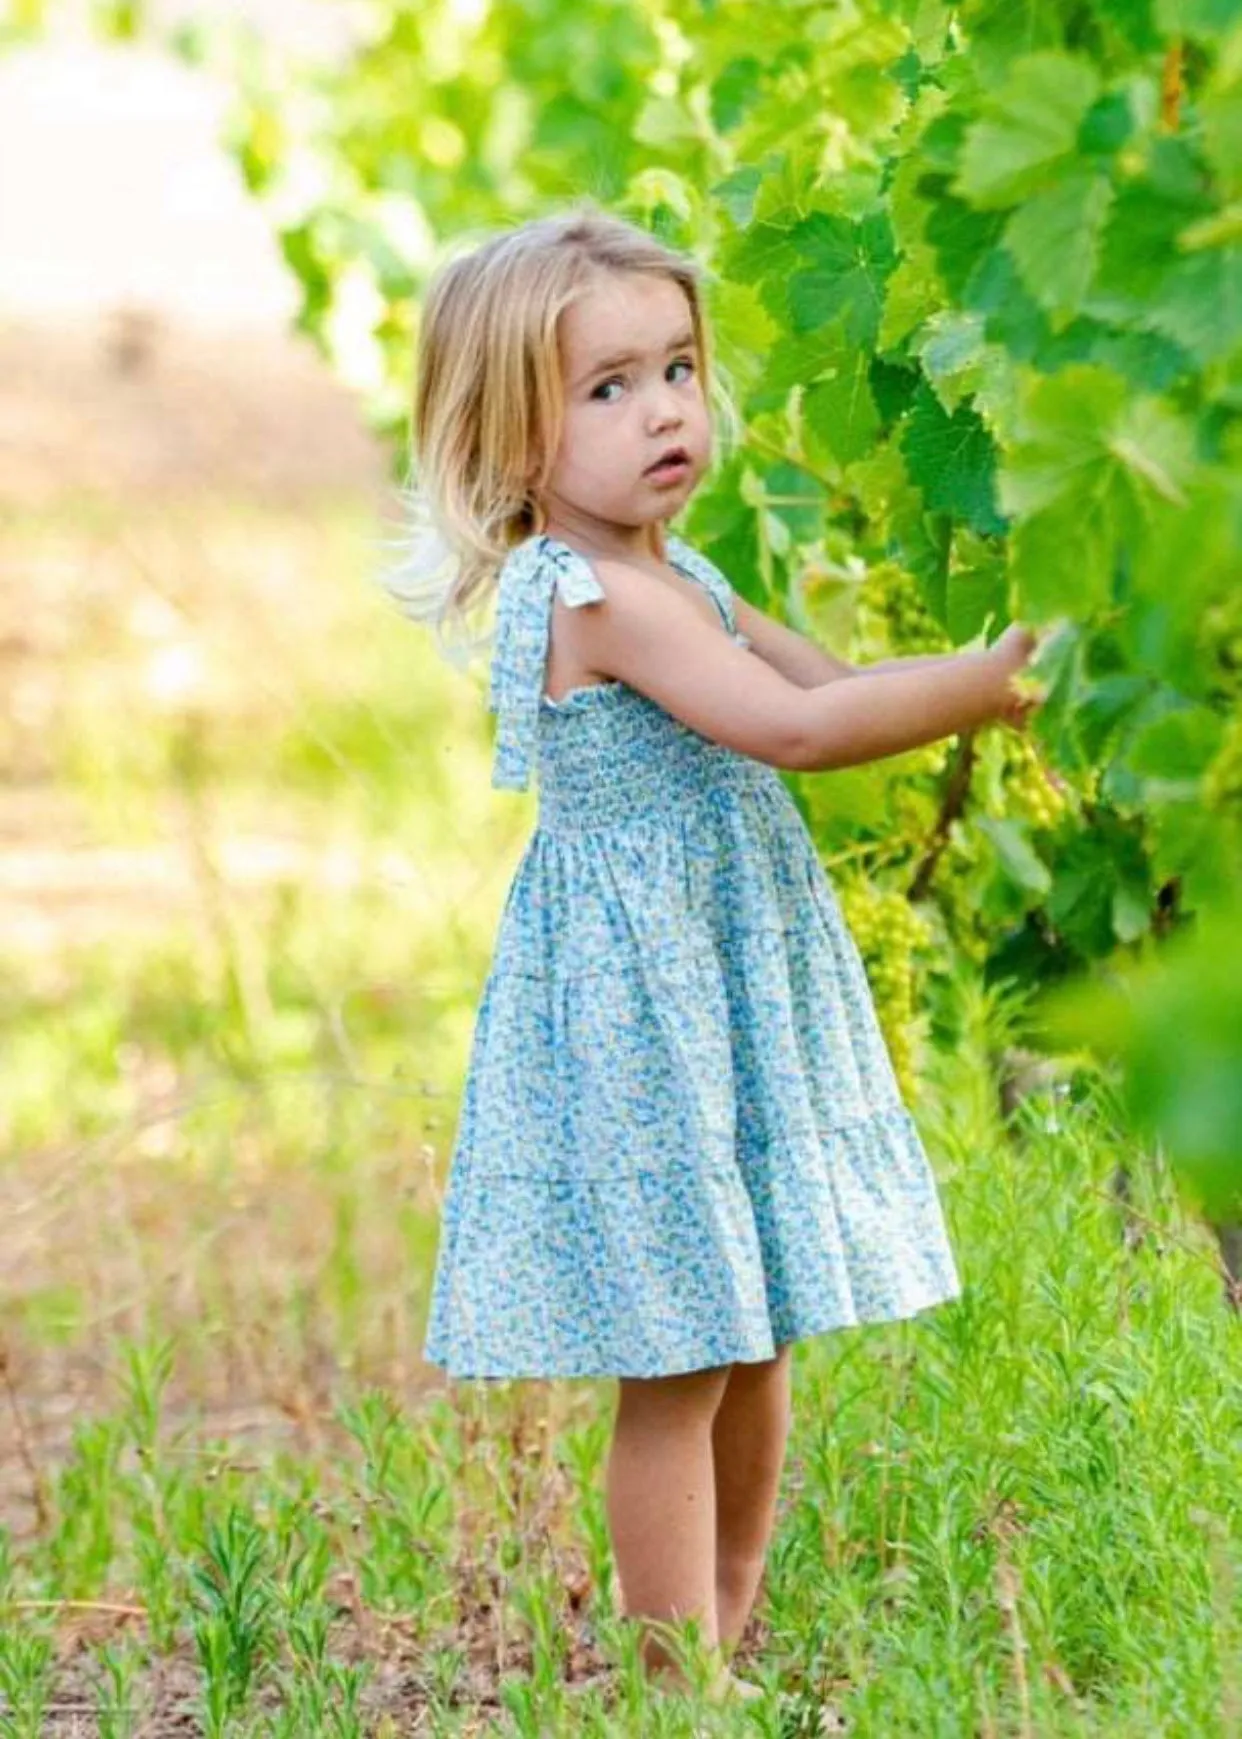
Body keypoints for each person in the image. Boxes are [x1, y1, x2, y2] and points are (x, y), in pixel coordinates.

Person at [381, 203, 1041, 1705]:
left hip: (718, 983)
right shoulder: (595, 596)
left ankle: (723, 1644)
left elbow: (851, 682)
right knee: (680, 1356)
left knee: (753, 1332)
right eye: (604, 388)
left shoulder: (689, 572)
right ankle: (675, 1677)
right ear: (511, 435)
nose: (661, 409)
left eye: (674, 367)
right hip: (645, 1013)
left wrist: (969, 663)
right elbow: (800, 729)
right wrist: (997, 684)